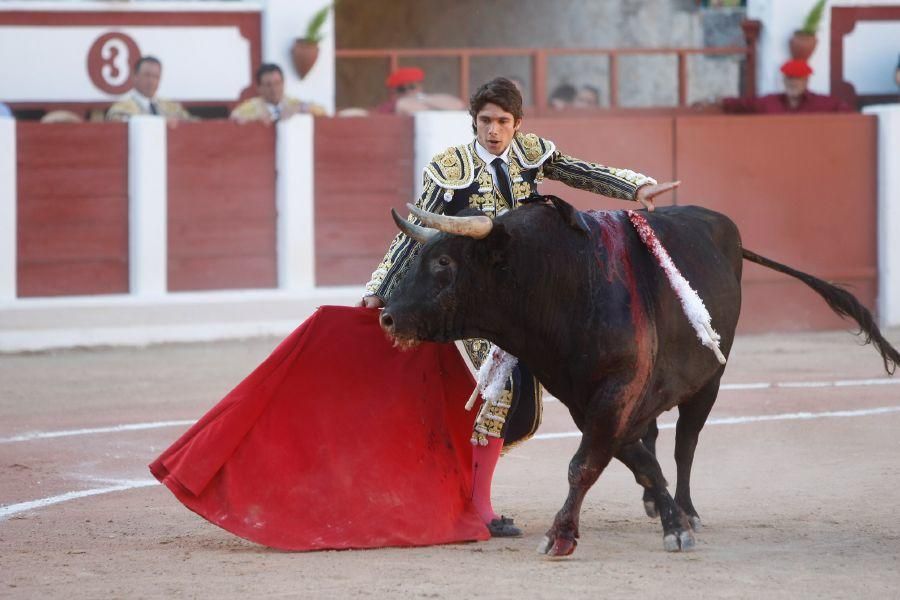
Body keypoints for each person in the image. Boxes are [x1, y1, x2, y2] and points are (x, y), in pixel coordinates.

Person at [359, 77, 678, 537]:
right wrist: (380, 286)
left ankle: (463, 490)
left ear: (517, 123)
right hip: (468, 302)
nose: (494, 130)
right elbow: (416, 235)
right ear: (474, 122)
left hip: (525, 299)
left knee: (524, 407)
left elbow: (578, 171)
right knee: (499, 396)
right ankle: (479, 509)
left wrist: (636, 187)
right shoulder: (448, 167)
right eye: (486, 121)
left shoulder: (532, 151)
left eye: (502, 122)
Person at [721, 59, 852, 114]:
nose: (793, 83)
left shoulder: (822, 103)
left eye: (798, 79)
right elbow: (741, 104)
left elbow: (847, 113)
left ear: (806, 81)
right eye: (789, 78)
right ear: (783, 80)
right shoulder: (768, 102)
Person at [231, 63, 326, 124]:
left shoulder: (293, 103)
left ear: (283, 83)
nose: (274, 89)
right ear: (259, 88)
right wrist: (254, 119)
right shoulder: (251, 107)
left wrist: (299, 108)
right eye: (268, 85)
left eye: (277, 83)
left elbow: (323, 113)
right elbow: (234, 118)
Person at [107, 56, 192, 122]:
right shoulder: (121, 109)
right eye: (147, 75)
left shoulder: (172, 108)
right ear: (135, 76)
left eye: (156, 77)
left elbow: (194, 124)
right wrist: (163, 123)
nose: (151, 81)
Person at [373, 67, 465, 115]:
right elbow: (413, 109)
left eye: (412, 86)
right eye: (402, 89)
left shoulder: (425, 99)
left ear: (419, 86)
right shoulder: (395, 104)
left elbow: (458, 105)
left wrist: (422, 98)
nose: (408, 91)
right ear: (395, 91)